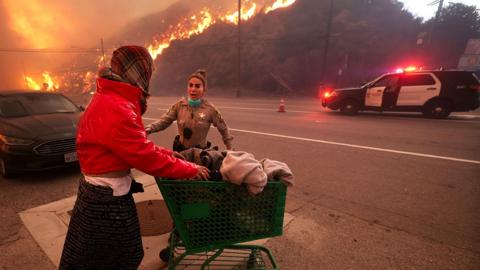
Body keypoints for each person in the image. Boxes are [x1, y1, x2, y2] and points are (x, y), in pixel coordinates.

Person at [59, 45, 210, 270]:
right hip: (106, 201)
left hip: (98, 194)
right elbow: (144, 156)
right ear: (139, 72)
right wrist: (190, 169)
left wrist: (170, 154)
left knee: (92, 258)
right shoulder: (119, 108)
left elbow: (136, 146)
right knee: (122, 256)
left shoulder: (109, 97)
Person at [145, 69, 234, 151]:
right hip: (181, 152)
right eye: (190, 85)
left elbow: (223, 128)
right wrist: (149, 129)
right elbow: (164, 121)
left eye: (197, 86)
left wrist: (230, 148)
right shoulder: (179, 106)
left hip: (200, 154)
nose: (193, 89)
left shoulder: (210, 110)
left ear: (204, 90)